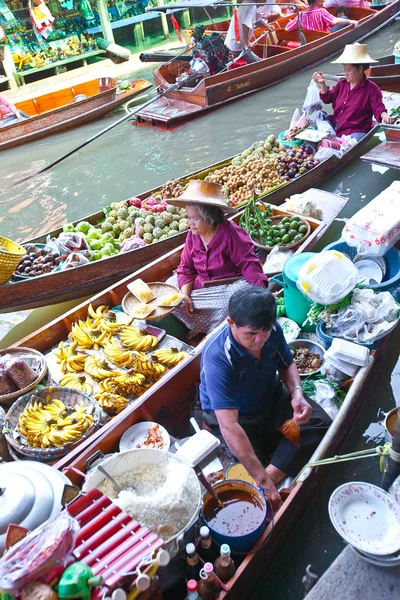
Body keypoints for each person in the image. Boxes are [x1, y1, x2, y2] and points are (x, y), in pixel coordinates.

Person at [200, 287, 332, 510]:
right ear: (231, 323)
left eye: (265, 331)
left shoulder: (272, 330)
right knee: (244, 466)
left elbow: (286, 363)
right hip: (237, 418)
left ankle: (270, 474)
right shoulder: (218, 357)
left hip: (270, 398)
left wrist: (297, 393)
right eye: (250, 333)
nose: (260, 339)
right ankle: (270, 475)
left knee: (319, 422)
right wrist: (262, 479)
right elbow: (229, 426)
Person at [166, 180, 268, 337]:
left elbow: (249, 265)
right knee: (170, 287)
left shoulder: (231, 234)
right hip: (201, 286)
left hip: (227, 285)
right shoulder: (192, 236)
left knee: (229, 304)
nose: (190, 223)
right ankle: (199, 326)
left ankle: (213, 333)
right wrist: (185, 295)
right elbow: (185, 268)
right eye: (188, 217)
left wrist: (261, 293)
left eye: (195, 219)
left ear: (210, 218)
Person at [313, 43, 396, 140]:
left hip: (355, 132)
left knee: (350, 142)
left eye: (348, 70)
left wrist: (385, 117)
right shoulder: (342, 84)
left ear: (360, 69)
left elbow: (378, 108)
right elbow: (328, 98)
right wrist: (322, 84)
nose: (345, 73)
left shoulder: (371, 89)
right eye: (344, 70)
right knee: (318, 118)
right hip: (337, 126)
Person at [225, 0, 280, 64]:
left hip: (232, 43)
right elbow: (245, 24)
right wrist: (247, 43)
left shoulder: (249, 3)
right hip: (237, 46)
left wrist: (267, 26)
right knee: (258, 63)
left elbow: (256, 21)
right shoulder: (251, 7)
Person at [286, 0, 358, 33]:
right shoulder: (321, 11)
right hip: (325, 38)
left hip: (310, 41)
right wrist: (350, 21)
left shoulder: (301, 15)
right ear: (316, 1)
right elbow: (335, 22)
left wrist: (293, 22)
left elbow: (287, 28)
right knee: (344, 18)